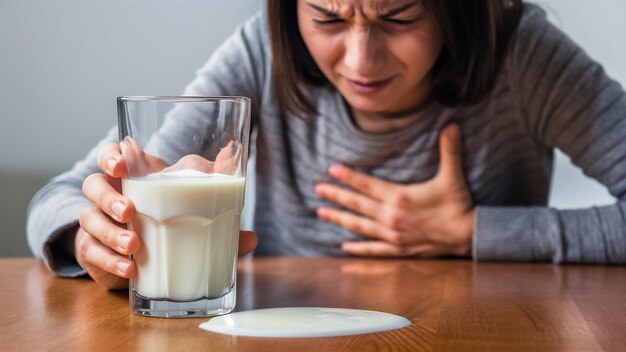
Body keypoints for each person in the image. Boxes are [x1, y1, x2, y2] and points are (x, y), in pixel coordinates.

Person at [27, 0, 626, 289]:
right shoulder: (264, 51)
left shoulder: (521, 55)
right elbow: (59, 198)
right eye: (328, 19)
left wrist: (472, 232)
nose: (361, 61)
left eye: (399, 17)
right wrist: (97, 233)